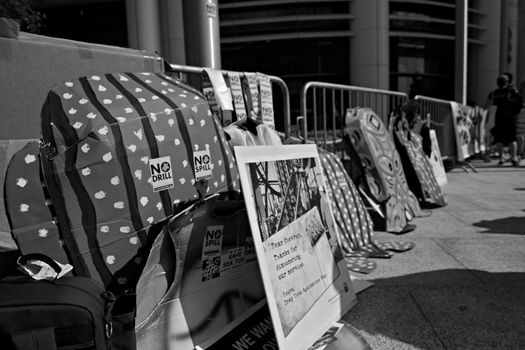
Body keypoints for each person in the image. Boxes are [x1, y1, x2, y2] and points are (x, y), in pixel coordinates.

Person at [486, 74, 523, 166]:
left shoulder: (494, 93)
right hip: (510, 117)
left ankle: (501, 158)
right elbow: (520, 101)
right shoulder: (511, 91)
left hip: (498, 117)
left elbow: (487, 105)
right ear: (507, 82)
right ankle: (513, 158)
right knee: (512, 138)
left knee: (499, 139)